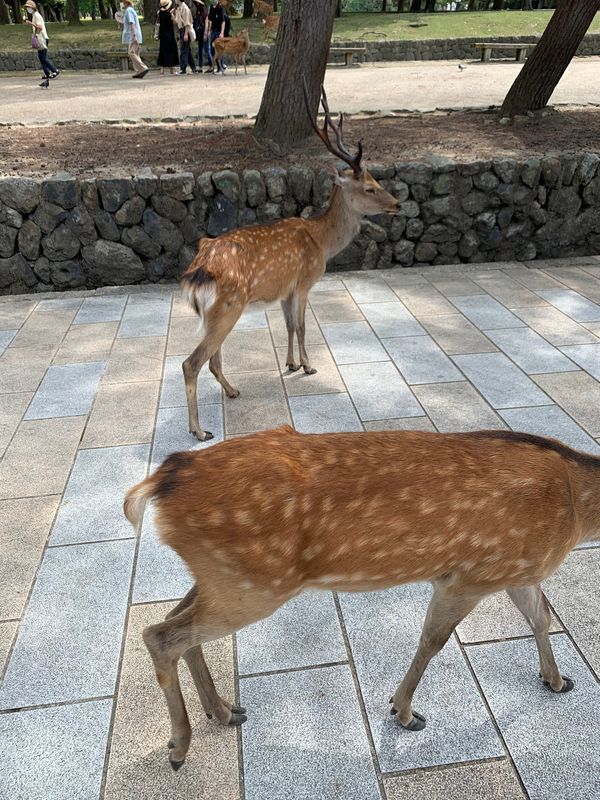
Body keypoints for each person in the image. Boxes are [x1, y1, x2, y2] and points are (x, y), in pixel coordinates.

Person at [23, 0, 59, 87]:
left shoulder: (36, 15)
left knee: (42, 58)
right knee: (42, 57)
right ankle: (48, 74)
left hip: (42, 39)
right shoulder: (34, 15)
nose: (28, 9)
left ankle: (54, 70)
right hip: (42, 38)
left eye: (28, 7)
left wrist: (31, 23)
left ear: (32, 8)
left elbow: (40, 27)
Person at [121, 0, 149, 79]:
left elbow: (132, 23)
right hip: (136, 35)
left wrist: (134, 36)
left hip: (133, 35)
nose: (122, 3)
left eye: (123, 2)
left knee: (131, 53)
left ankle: (143, 68)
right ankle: (139, 72)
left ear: (127, 3)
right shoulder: (131, 10)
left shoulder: (129, 10)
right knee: (136, 54)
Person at [156, 0, 179, 75]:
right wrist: (172, 13)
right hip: (170, 35)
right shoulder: (170, 15)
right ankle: (172, 69)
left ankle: (162, 70)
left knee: (162, 51)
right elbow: (176, 22)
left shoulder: (159, 13)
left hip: (162, 35)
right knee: (171, 51)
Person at [174, 0, 196, 75]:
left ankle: (183, 68)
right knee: (187, 50)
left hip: (185, 30)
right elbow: (177, 22)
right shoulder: (179, 8)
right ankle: (193, 68)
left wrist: (186, 34)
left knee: (183, 50)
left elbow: (187, 23)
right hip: (181, 30)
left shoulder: (185, 9)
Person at [207, 0, 226, 74]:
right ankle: (218, 66)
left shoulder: (220, 8)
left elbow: (223, 21)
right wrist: (209, 30)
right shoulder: (211, 8)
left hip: (218, 32)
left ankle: (221, 67)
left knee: (219, 50)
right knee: (212, 49)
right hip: (213, 31)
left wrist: (222, 32)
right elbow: (210, 20)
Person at [192, 0, 208, 73]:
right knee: (200, 51)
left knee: (206, 50)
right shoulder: (197, 12)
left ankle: (211, 64)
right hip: (198, 34)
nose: (196, 5)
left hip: (203, 33)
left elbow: (206, 24)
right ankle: (200, 66)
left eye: (197, 3)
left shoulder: (204, 13)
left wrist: (205, 34)